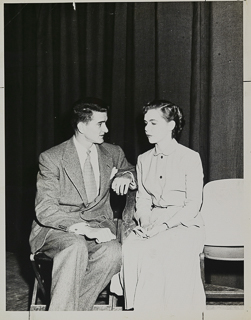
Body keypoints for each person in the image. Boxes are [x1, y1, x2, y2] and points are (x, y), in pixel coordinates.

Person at [29, 97, 136, 311]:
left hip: (98, 226)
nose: (106, 129)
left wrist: (125, 176)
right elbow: (45, 210)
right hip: (57, 229)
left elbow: (132, 169)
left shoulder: (113, 153)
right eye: (100, 123)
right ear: (81, 126)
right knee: (75, 246)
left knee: (113, 253)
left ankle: (68, 313)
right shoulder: (52, 158)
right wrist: (83, 228)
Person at [122, 100, 205, 313]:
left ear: (171, 125)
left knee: (157, 249)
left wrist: (163, 227)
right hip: (154, 221)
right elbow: (143, 199)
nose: (146, 129)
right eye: (145, 123)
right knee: (132, 246)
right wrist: (146, 221)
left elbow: (193, 204)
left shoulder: (189, 157)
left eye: (153, 123)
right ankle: (142, 311)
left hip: (184, 223)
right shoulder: (143, 159)